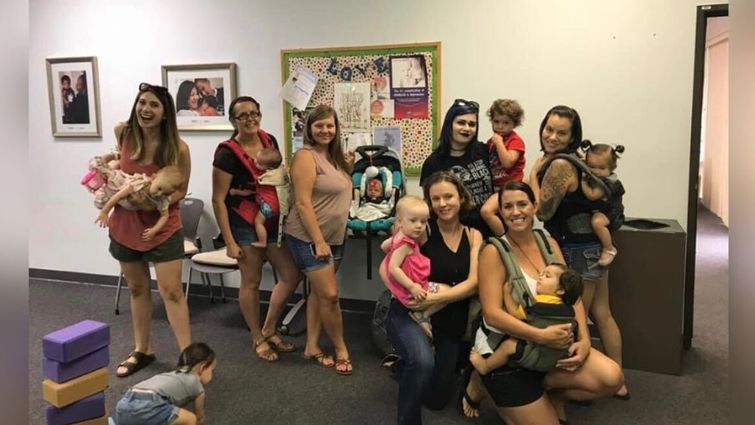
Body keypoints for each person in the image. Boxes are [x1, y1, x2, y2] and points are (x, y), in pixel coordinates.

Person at [461, 181, 623, 424]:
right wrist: (541, 336)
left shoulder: (548, 242)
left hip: (549, 347)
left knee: (612, 378)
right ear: (501, 213)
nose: (516, 212)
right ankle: (481, 383)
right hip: (510, 348)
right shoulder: (493, 251)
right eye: (508, 206)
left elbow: (571, 295)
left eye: (522, 204)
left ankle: (551, 395)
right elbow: (492, 314)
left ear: (534, 206)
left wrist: (585, 340)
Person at [535, 105, 630, 400]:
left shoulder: (561, 165)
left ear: (573, 137)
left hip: (576, 251)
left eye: (561, 132)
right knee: (603, 312)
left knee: (576, 320)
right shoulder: (577, 162)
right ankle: (620, 381)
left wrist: (531, 175)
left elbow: (541, 211)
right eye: (548, 128)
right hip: (593, 248)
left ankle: (578, 384)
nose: (552, 136)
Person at [378, 170, 483, 425]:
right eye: (436, 199)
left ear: (461, 197)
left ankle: (404, 365)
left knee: (436, 399)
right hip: (410, 311)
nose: (443, 204)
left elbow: (473, 284)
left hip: (448, 318)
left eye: (448, 196)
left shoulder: (473, 235)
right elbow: (386, 267)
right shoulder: (421, 229)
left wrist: (433, 301)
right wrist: (406, 297)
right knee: (422, 363)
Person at [108, 82, 192, 378]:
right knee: (137, 288)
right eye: (142, 102)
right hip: (126, 224)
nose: (145, 109)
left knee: (171, 291)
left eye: (154, 105)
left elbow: (181, 190)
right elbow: (117, 168)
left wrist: (155, 199)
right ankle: (142, 349)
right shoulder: (124, 134)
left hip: (163, 226)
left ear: (166, 113)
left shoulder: (179, 148)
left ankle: (187, 357)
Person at [212, 96, 303, 362]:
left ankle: (269, 328)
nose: (250, 119)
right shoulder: (227, 153)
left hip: (272, 219)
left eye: (254, 113)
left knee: (291, 274)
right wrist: (229, 240)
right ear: (233, 121)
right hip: (243, 222)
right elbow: (218, 199)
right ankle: (257, 337)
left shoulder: (269, 140)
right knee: (251, 281)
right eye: (243, 115)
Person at [284, 104, 356, 375]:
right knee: (330, 295)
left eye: (330, 125)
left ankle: (312, 346)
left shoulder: (335, 158)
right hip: (309, 238)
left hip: (335, 236)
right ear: (309, 129)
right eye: (320, 125)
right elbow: (303, 203)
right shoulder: (305, 156)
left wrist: (347, 168)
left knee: (318, 293)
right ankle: (341, 348)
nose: (326, 130)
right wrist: (319, 241)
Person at [469, 263, 583, 376]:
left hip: (537, 356)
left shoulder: (539, 306)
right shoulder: (568, 310)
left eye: (547, 276)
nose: (540, 277)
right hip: (556, 359)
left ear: (561, 290)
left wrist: (506, 294)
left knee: (509, 345)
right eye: (541, 273)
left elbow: (515, 313)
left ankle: (486, 366)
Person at [420, 99, 494, 237]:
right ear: (449, 125)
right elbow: (430, 204)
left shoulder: (484, 151)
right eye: (461, 122)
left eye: (472, 124)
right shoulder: (433, 162)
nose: (467, 128)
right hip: (455, 234)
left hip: (489, 228)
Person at [380, 195, 450, 339]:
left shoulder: (397, 237)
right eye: (413, 221)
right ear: (400, 221)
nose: (419, 226)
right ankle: (422, 315)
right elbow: (393, 268)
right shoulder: (406, 244)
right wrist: (412, 287)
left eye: (423, 222)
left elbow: (383, 246)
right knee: (448, 293)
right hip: (412, 289)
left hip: (404, 287)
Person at [115, 342, 216, 425]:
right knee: (191, 419)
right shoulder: (197, 385)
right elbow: (200, 418)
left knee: (166, 415)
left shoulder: (169, 375)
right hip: (149, 405)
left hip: (124, 405)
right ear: (202, 368)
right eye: (211, 370)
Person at [92, 157, 182, 241]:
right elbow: (118, 196)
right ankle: (112, 160)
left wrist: (154, 230)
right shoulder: (140, 185)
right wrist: (105, 211)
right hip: (120, 185)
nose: (159, 194)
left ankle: (113, 165)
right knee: (103, 173)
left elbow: (164, 216)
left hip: (128, 202)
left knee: (101, 198)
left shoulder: (163, 200)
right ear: (153, 178)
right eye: (159, 188)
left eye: (166, 193)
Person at [480, 98, 527, 236]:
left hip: (511, 187)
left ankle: (506, 241)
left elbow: (508, 162)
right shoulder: (491, 142)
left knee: (486, 211)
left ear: (514, 123)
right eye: (496, 122)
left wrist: (499, 143)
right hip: (497, 188)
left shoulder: (515, 141)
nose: (500, 126)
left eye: (505, 123)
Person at [578, 140, 626, 266]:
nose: (596, 171)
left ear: (612, 168)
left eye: (602, 168)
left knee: (597, 223)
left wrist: (583, 181)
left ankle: (609, 248)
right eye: (592, 166)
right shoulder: (598, 176)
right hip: (603, 208)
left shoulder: (606, 182)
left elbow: (592, 195)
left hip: (612, 211)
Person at [246, 147, 287, 249]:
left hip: (270, 205)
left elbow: (256, 178)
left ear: (268, 168)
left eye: (258, 163)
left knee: (258, 222)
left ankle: (262, 241)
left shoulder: (267, 177)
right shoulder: (280, 170)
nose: (255, 162)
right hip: (279, 204)